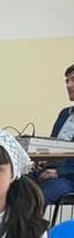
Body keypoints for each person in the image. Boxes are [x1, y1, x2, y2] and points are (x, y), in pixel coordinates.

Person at [35, 63, 74, 203]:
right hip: (51, 171)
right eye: (67, 81)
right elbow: (52, 147)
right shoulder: (64, 114)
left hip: (69, 178)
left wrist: (59, 172)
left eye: (73, 80)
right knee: (16, 185)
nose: (68, 85)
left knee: (36, 196)